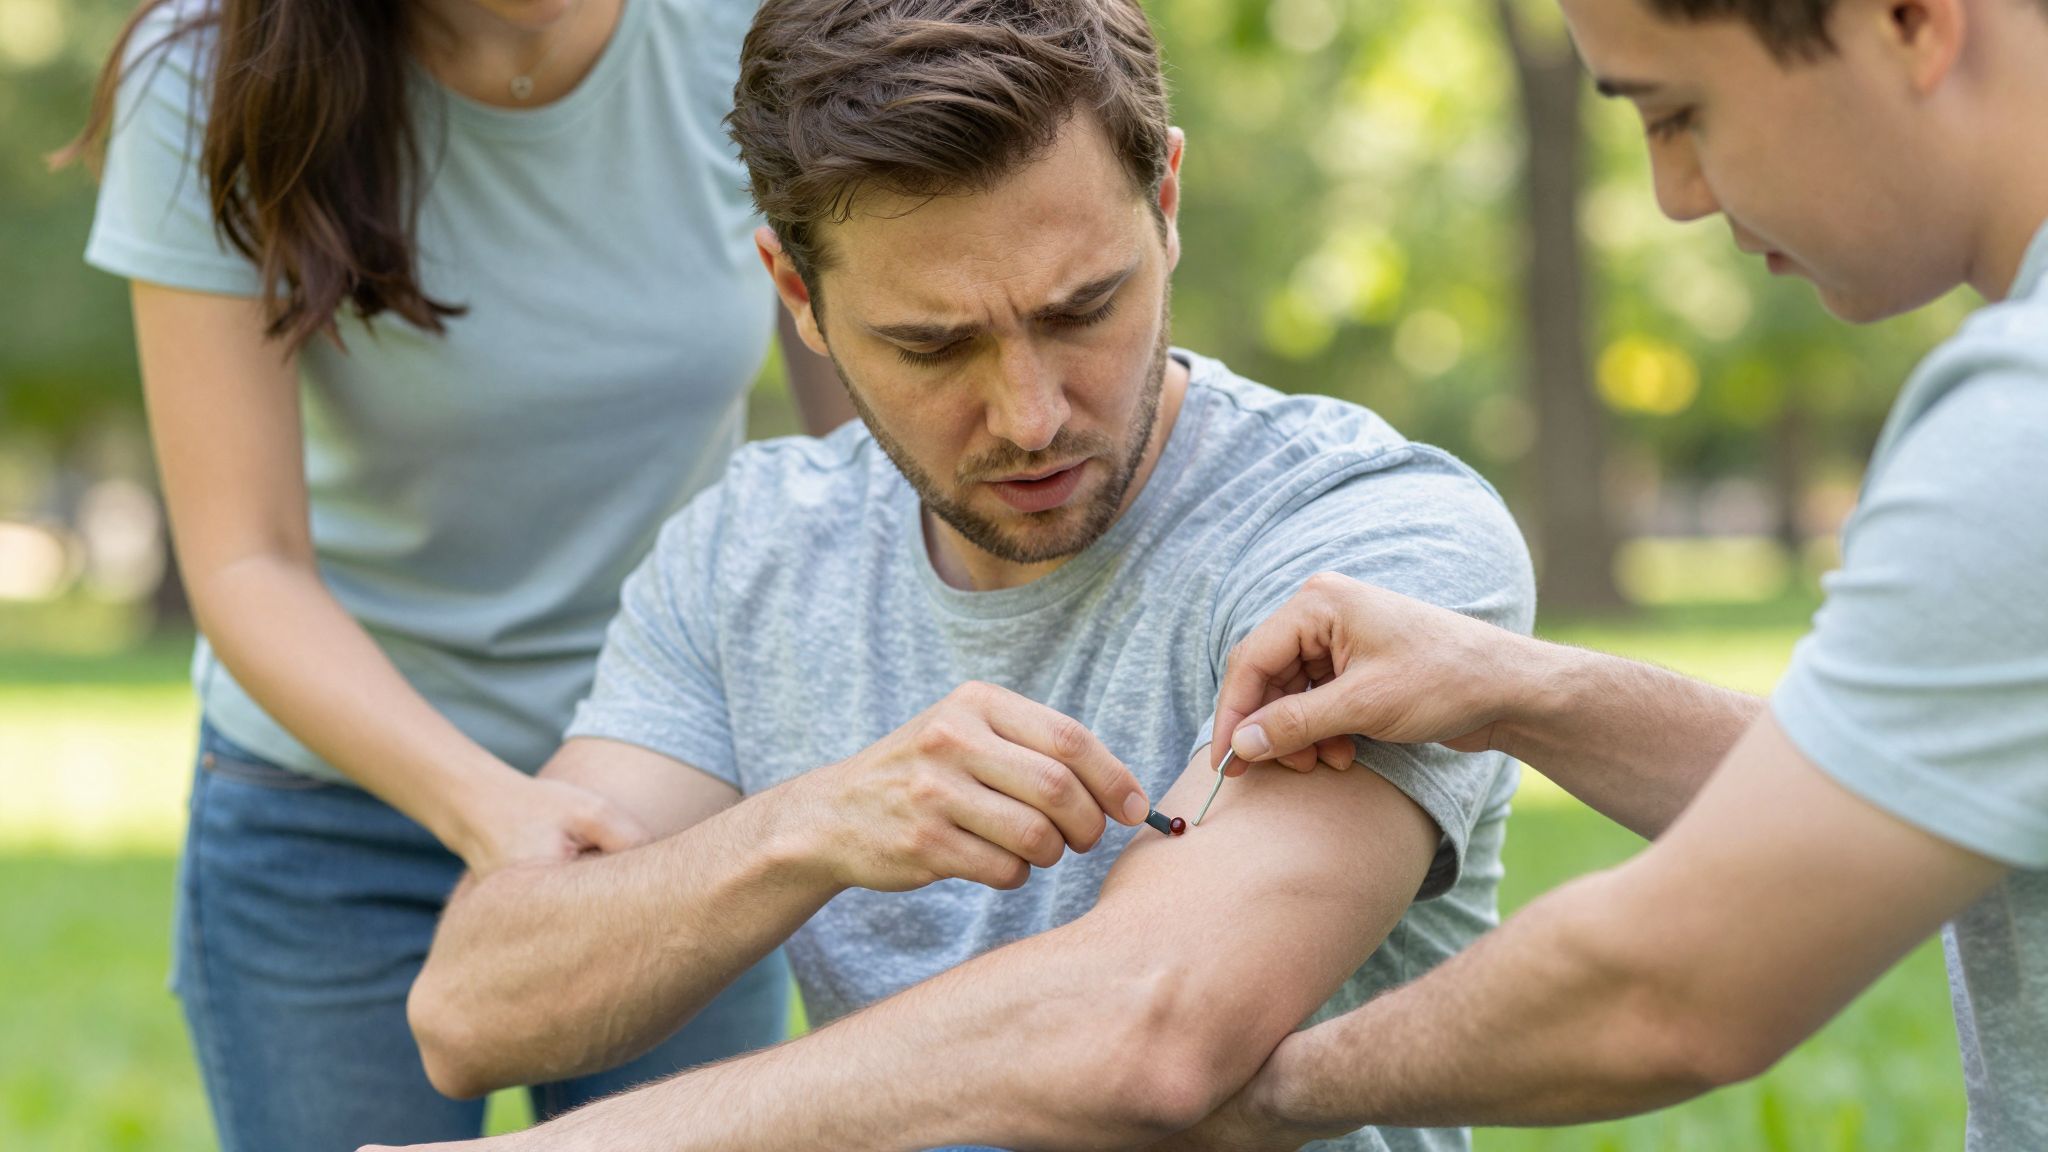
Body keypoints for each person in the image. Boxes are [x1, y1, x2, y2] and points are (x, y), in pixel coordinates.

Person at [358, 1, 1536, 1149]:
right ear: (795, 294)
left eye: (1084, 308)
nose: (1028, 416)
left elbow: (1144, 1035)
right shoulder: (750, 550)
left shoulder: (1371, 542)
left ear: (1164, 201)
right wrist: (807, 826)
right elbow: (471, 1011)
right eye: (932, 344)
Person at [1156, 0, 2048, 1149]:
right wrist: (1509, 688)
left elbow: (1673, 986)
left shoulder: (2019, 426)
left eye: (1679, 113)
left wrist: (1257, 1093)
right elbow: (1861, 800)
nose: (1675, 193)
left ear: (1907, 19)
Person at [64, 0, 852, 1147]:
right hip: (332, 808)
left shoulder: (761, 27)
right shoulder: (202, 67)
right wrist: (495, 808)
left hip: (671, 789)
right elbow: (246, 559)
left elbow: (871, 456)